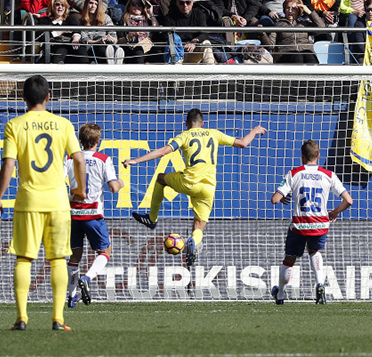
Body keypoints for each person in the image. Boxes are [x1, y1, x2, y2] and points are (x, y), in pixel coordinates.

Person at [0, 75, 87, 331]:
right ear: (48, 97)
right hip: (57, 201)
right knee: (58, 260)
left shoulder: (15, 125)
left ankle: (21, 318)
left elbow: (9, 164)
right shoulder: (63, 124)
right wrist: (80, 189)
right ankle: (58, 318)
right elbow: (79, 161)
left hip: (28, 201)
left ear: (23, 98)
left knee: (24, 258)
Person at [122, 109, 266, 267]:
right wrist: (255, 131)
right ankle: (193, 241)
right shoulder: (214, 133)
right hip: (208, 188)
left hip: (188, 183)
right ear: (202, 124)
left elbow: (163, 152)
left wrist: (136, 160)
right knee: (199, 225)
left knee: (160, 178)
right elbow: (242, 143)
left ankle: (152, 218)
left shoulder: (184, 136)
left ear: (186, 124)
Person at [270, 139, 353, 305]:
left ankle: (279, 294)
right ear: (318, 155)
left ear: (302, 156)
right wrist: (335, 212)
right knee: (314, 251)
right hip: (320, 225)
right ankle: (320, 285)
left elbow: (274, 199)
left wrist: (283, 197)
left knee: (289, 259)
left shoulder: (293, 173)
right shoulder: (329, 175)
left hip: (300, 225)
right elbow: (349, 200)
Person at [66, 124, 124, 308]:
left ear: (80, 140)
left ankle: (72, 296)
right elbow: (113, 188)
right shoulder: (103, 159)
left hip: (73, 213)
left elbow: (58, 184)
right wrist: (121, 182)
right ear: (98, 140)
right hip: (93, 215)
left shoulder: (70, 158)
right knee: (104, 252)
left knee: (74, 256)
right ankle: (87, 278)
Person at [260, 0, 325, 64]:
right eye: (288, 8)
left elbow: (321, 27)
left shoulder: (304, 24)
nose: (290, 11)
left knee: (309, 55)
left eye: (293, 9)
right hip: (285, 54)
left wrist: (309, 12)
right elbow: (270, 46)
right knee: (297, 55)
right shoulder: (278, 24)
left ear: (298, 11)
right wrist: (262, 34)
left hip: (306, 52)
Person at [162, 0, 215, 64]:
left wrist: (194, 42)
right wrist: (182, 45)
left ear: (192, 2)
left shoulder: (198, 14)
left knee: (206, 43)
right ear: (177, 3)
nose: (185, 5)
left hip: (194, 50)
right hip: (178, 52)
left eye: (188, 2)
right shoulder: (169, 17)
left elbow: (205, 33)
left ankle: (211, 71)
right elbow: (166, 36)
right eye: (181, 3)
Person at [70, 0, 123, 65]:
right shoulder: (81, 20)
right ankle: (112, 61)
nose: (93, 6)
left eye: (96, 4)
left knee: (108, 44)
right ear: (86, 4)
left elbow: (114, 36)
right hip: (91, 48)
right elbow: (85, 40)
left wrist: (111, 38)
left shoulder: (106, 17)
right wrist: (99, 41)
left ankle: (114, 57)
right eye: (91, 3)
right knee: (100, 47)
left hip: (106, 45)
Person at [35, 0, 83, 64]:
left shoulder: (70, 19)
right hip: (52, 49)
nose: (60, 7)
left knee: (80, 46)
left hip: (70, 49)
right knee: (61, 47)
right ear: (52, 6)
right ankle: (58, 67)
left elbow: (77, 30)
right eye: (57, 4)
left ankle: (89, 67)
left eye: (63, 5)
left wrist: (75, 38)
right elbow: (42, 36)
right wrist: (61, 31)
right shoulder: (44, 21)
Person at [120, 0, 159, 64]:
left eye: (140, 4)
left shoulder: (148, 19)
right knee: (139, 50)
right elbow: (119, 40)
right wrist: (132, 35)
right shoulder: (124, 20)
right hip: (131, 49)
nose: (137, 6)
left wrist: (151, 13)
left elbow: (156, 29)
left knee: (158, 51)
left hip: (148, 47)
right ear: (129, 7)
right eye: (134, 4)